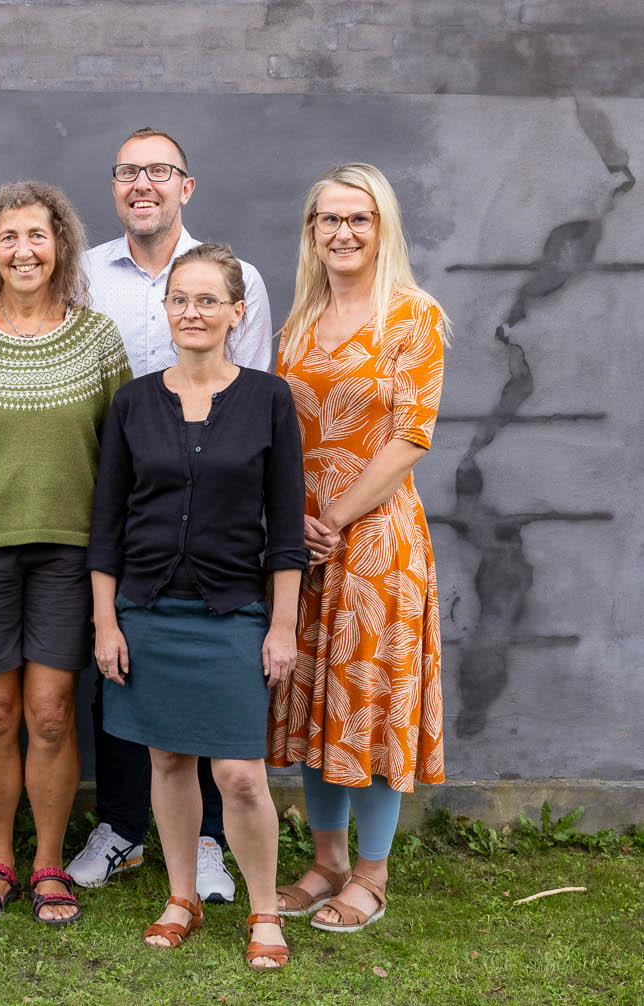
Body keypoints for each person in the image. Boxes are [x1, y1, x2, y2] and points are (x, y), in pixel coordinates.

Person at [0, 181, 132, 926]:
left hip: (70, 558)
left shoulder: (98, 339)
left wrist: (114, 574)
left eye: (37, 235)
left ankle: (48, 863)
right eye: (8, 237)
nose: (23, 251)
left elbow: (122, 466)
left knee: (50, 712)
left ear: (61, 244)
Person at [72, 126, 275, 902]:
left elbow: (252, 393)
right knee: (123, 670)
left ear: (186, 186)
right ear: (114, 186)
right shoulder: (86, 275)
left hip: (216, 506)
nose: (143, 184)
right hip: (119, 484)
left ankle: (211, 842)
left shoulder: (234, 275)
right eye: (128, 171)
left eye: (159, 171)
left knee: (214, 700)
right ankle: (122, 827)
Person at [89, 243, 305, 969]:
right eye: (180, 299)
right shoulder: (132, 402)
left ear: (237, 313)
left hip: (232, 614)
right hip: (147, 611)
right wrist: (106, 621)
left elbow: (286, 526)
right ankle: (181, 896)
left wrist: (282, 626)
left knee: (240, 774)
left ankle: (264, 907)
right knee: (169, 759)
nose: (192, 312)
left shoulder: (268, 399)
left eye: (208, 300)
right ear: (166, 308)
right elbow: (106, 524)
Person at [268, 162, 447, 933]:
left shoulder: (413, 314)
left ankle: (371, 874)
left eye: (358, 219)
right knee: (318, 703)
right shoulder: (299, 321)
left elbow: (411, 436)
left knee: (367, 707)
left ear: (382, 229)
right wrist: (295, 524)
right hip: (306, 545)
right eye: (329, 220)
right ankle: (327, 863)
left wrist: (334, 515)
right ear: (312, 232)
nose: (342, 232)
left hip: (376, 544)